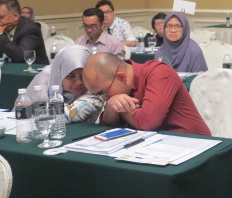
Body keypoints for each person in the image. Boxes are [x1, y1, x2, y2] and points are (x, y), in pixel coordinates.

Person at [82, 53, 210, 135]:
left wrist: (122, 111)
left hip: (193, 144)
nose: (104, 98)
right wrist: (111, 106)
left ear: (121, 77)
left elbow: (148, 122)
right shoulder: (118, 90)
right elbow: (108, 126)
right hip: (158, 146)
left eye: (104, 92)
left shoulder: (159, 72)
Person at [26, 45, 103, 123]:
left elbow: (70, 115)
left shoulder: (95, 88)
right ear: (59, 74)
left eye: (83, 75)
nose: (79, 82)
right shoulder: (44, 80)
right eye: (71, 76)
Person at [0, 0, 48, 64]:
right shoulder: (4, 27)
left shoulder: (30, 29)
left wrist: (1, 35)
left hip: (32, 69)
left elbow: (21, 57)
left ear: (16, 16)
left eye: (1, 17)